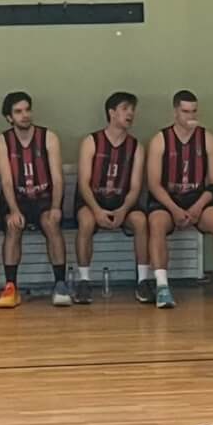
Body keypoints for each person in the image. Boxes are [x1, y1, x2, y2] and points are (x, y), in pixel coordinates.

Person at [145, 90, 213, 309]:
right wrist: (174, 209)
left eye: (194, 111)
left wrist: (197, 207)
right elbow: (154, 184)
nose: (190, 116)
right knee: (156, 223)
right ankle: (162, 287)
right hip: (168, 201)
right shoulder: (160, 140)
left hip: (198, 199)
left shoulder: (207, 139)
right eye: (185, 111)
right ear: (175, 112)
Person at [0, 92, 69, 308]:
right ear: (9, 117)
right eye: (18, 112)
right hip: (17, 198)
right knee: (14, 226)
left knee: (51, 223)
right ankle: (11, 286)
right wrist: (14, 210)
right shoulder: (2, 141)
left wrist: (56, 207)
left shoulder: (49, 137)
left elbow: (57, 177)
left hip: (44, 197)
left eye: (27, 110)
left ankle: (60, 284)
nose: (25, 115)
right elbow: (6, 180)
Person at [73, 92, 146, 305]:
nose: (130, 113)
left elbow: (135, 187)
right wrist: (97, 210)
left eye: (132, 109)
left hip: (122, 202)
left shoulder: (136, 147)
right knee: (86, 221)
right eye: (125, 109)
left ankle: (143, 281)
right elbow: (83, 183)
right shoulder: (92, 141)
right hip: (92, 201)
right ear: (112, 113)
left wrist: (123, 210)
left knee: (141, 221)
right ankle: (84, 281)